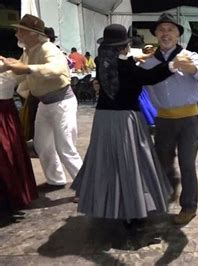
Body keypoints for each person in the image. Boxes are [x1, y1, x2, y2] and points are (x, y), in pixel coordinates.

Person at [71, 24, 176, 225]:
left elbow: (125, 65)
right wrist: (171, 66)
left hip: (103, 119)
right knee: (131, 163)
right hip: (126, 119)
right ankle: (132, 208)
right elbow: (149, 77)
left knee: (105, 160)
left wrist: (137, 59)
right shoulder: (127, 68)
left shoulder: (103, 61)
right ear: (123, 46)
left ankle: (107, 203)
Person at [141, 13, 198, 225]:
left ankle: (189, 206)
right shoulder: (149, 62)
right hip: (163, 120)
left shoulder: (190, 56)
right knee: (162, 163)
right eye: (161, 30)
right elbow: (142, 84)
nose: (165, 33)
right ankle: (161, 198)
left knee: (187, 163)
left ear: (178, 33)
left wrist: (192, 69)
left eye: (170, 29)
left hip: (189, 118)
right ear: (155, 34)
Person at [4, 14, 83, 188]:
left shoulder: (48, 48)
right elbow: (20, 74)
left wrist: (25, 68)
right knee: (42, 145)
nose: (17, 33)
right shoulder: (29, 51)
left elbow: (56, 69)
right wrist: (9, 68)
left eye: (20, 30)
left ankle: (86, 186)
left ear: (32, 33)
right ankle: (56, 179)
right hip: (45, 103)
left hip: (62, 102)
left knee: (66, 147)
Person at [0, 62, 38, 216]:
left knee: (7, 153)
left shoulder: (8, 63)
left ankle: (12, 196)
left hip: (5, 114)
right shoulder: (9, 63)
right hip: (7, 114)